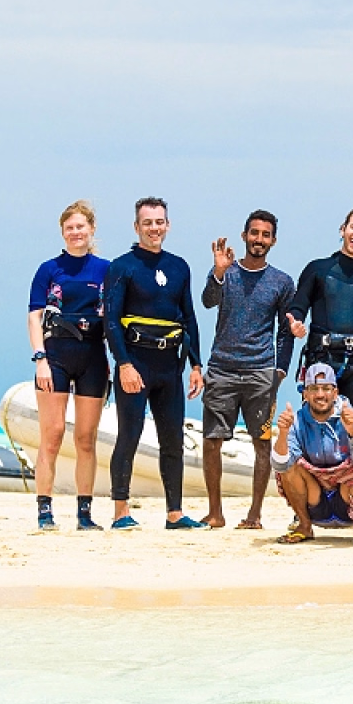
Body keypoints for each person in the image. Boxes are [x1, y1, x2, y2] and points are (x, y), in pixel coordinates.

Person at [104, 197, 206, 530]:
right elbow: (112, 321)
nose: (154, 228)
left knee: (172, 439)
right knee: (129, 436)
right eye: (147, 223)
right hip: (135, 361)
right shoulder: (122, 266)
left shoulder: (179, 266)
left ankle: (174, 513)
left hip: (169, 365)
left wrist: (195, 365)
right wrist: (123, 364)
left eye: (160, 222)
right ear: (137, 227)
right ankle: (121, 511)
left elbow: (188, 316)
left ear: (168, 225)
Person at [198, 209, 296, 530]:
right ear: (244, 236)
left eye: (265, 235)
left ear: (273, 241)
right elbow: (207, 301)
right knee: (212, 441)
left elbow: (285, 331)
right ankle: (216, 512)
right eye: (254, 233)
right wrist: (217, 272)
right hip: (222, 369)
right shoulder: (227, 270)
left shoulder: (282, 282)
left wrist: (280, 371)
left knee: (262, 443)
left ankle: (254, 515)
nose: (259, 240)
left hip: (260, 373)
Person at [26, 200, 110, 531]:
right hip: (55, 357)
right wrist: (40, 358)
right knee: (53, 434)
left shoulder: (106, 269)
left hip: (93, 357)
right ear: (63, 233)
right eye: (70, 228)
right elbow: (34, 316)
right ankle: (44, 511)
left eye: (81, 227)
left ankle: (84, 514)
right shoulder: (49, 269)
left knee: (86, 439)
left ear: (91, 229)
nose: (76, 233)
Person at [286, 207, 353, 415]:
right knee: (316, 423)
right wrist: (295, 323)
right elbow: (298, 307)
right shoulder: (317, 269)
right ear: (343, 230)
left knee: (352, 427)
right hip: (321, 356)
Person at [271, 362, 353, 544]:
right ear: (305, 393)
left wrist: (352, 432)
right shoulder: (297, 422)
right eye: (314, 388)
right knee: (289, 466)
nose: (320, 395)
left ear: (335, 392)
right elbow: (280, 466)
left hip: (347, 500)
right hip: (314, 501)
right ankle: (304, 525)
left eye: (326, 388)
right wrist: (283, 434)